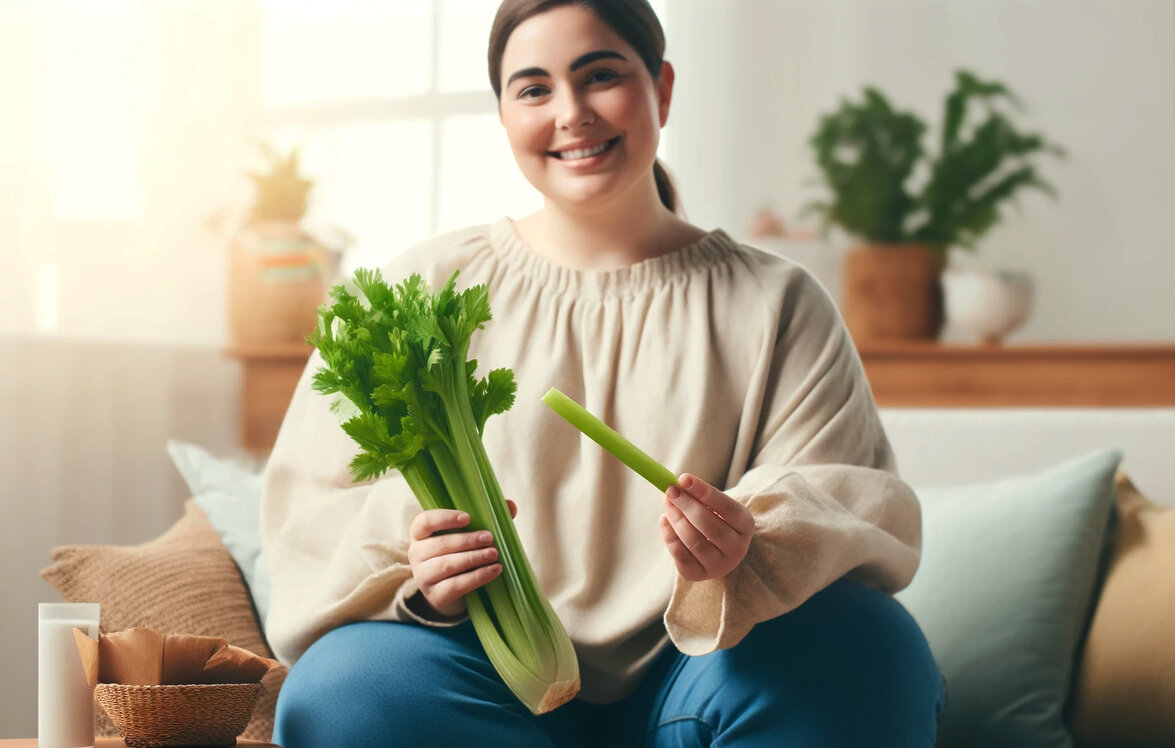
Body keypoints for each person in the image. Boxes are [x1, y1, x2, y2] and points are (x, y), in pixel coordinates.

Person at [264, 1, 945, 745]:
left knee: (866, 644)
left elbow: (845, 498)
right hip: (480, 683)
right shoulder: (425, 286)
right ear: (502, 114)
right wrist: (420, 570)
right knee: (343, 692)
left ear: (663, 89)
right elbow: (311, 517)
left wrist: (748, 548)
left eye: (600, 77)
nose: (572, 113)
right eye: (534, 89)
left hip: (708, 674)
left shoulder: (777, 304)